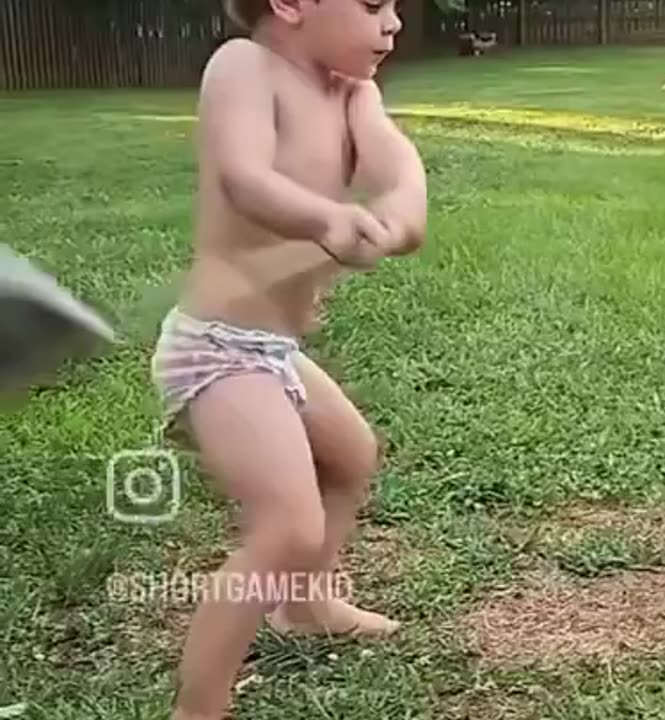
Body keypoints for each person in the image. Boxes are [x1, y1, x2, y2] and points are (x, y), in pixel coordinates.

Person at [152, 1, 427, 718]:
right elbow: (244, 177)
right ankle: (198, 709)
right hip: (213, 348)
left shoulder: (354, 93)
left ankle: (305, 606)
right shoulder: (244, 68)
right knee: (287, 526)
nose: (393, 22)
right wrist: (327, 218)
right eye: (373, 4)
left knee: (350, 457)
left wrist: (399, 215)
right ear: (289, 4)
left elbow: (402, 168)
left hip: (274, 351)